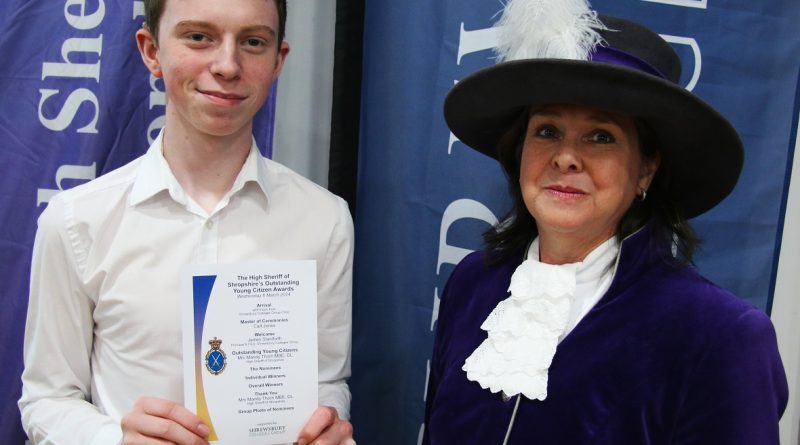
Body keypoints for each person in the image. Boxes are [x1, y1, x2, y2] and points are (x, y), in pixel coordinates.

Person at [423, 2, 788, 444]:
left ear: (646, 169)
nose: (565, 157)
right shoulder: (471, 283)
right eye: (546, 130)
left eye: (601, 137)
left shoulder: (719, 334)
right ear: (519, 151)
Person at [18, 1, 355, 444]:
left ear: (279, 61)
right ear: (151, 50)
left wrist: (327, 420)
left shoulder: (324, 220)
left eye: (253, 42)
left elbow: (327, 378)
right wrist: (113, 440)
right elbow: (45, 398)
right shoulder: (78, 221)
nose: (228, 65)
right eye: (200, 37)